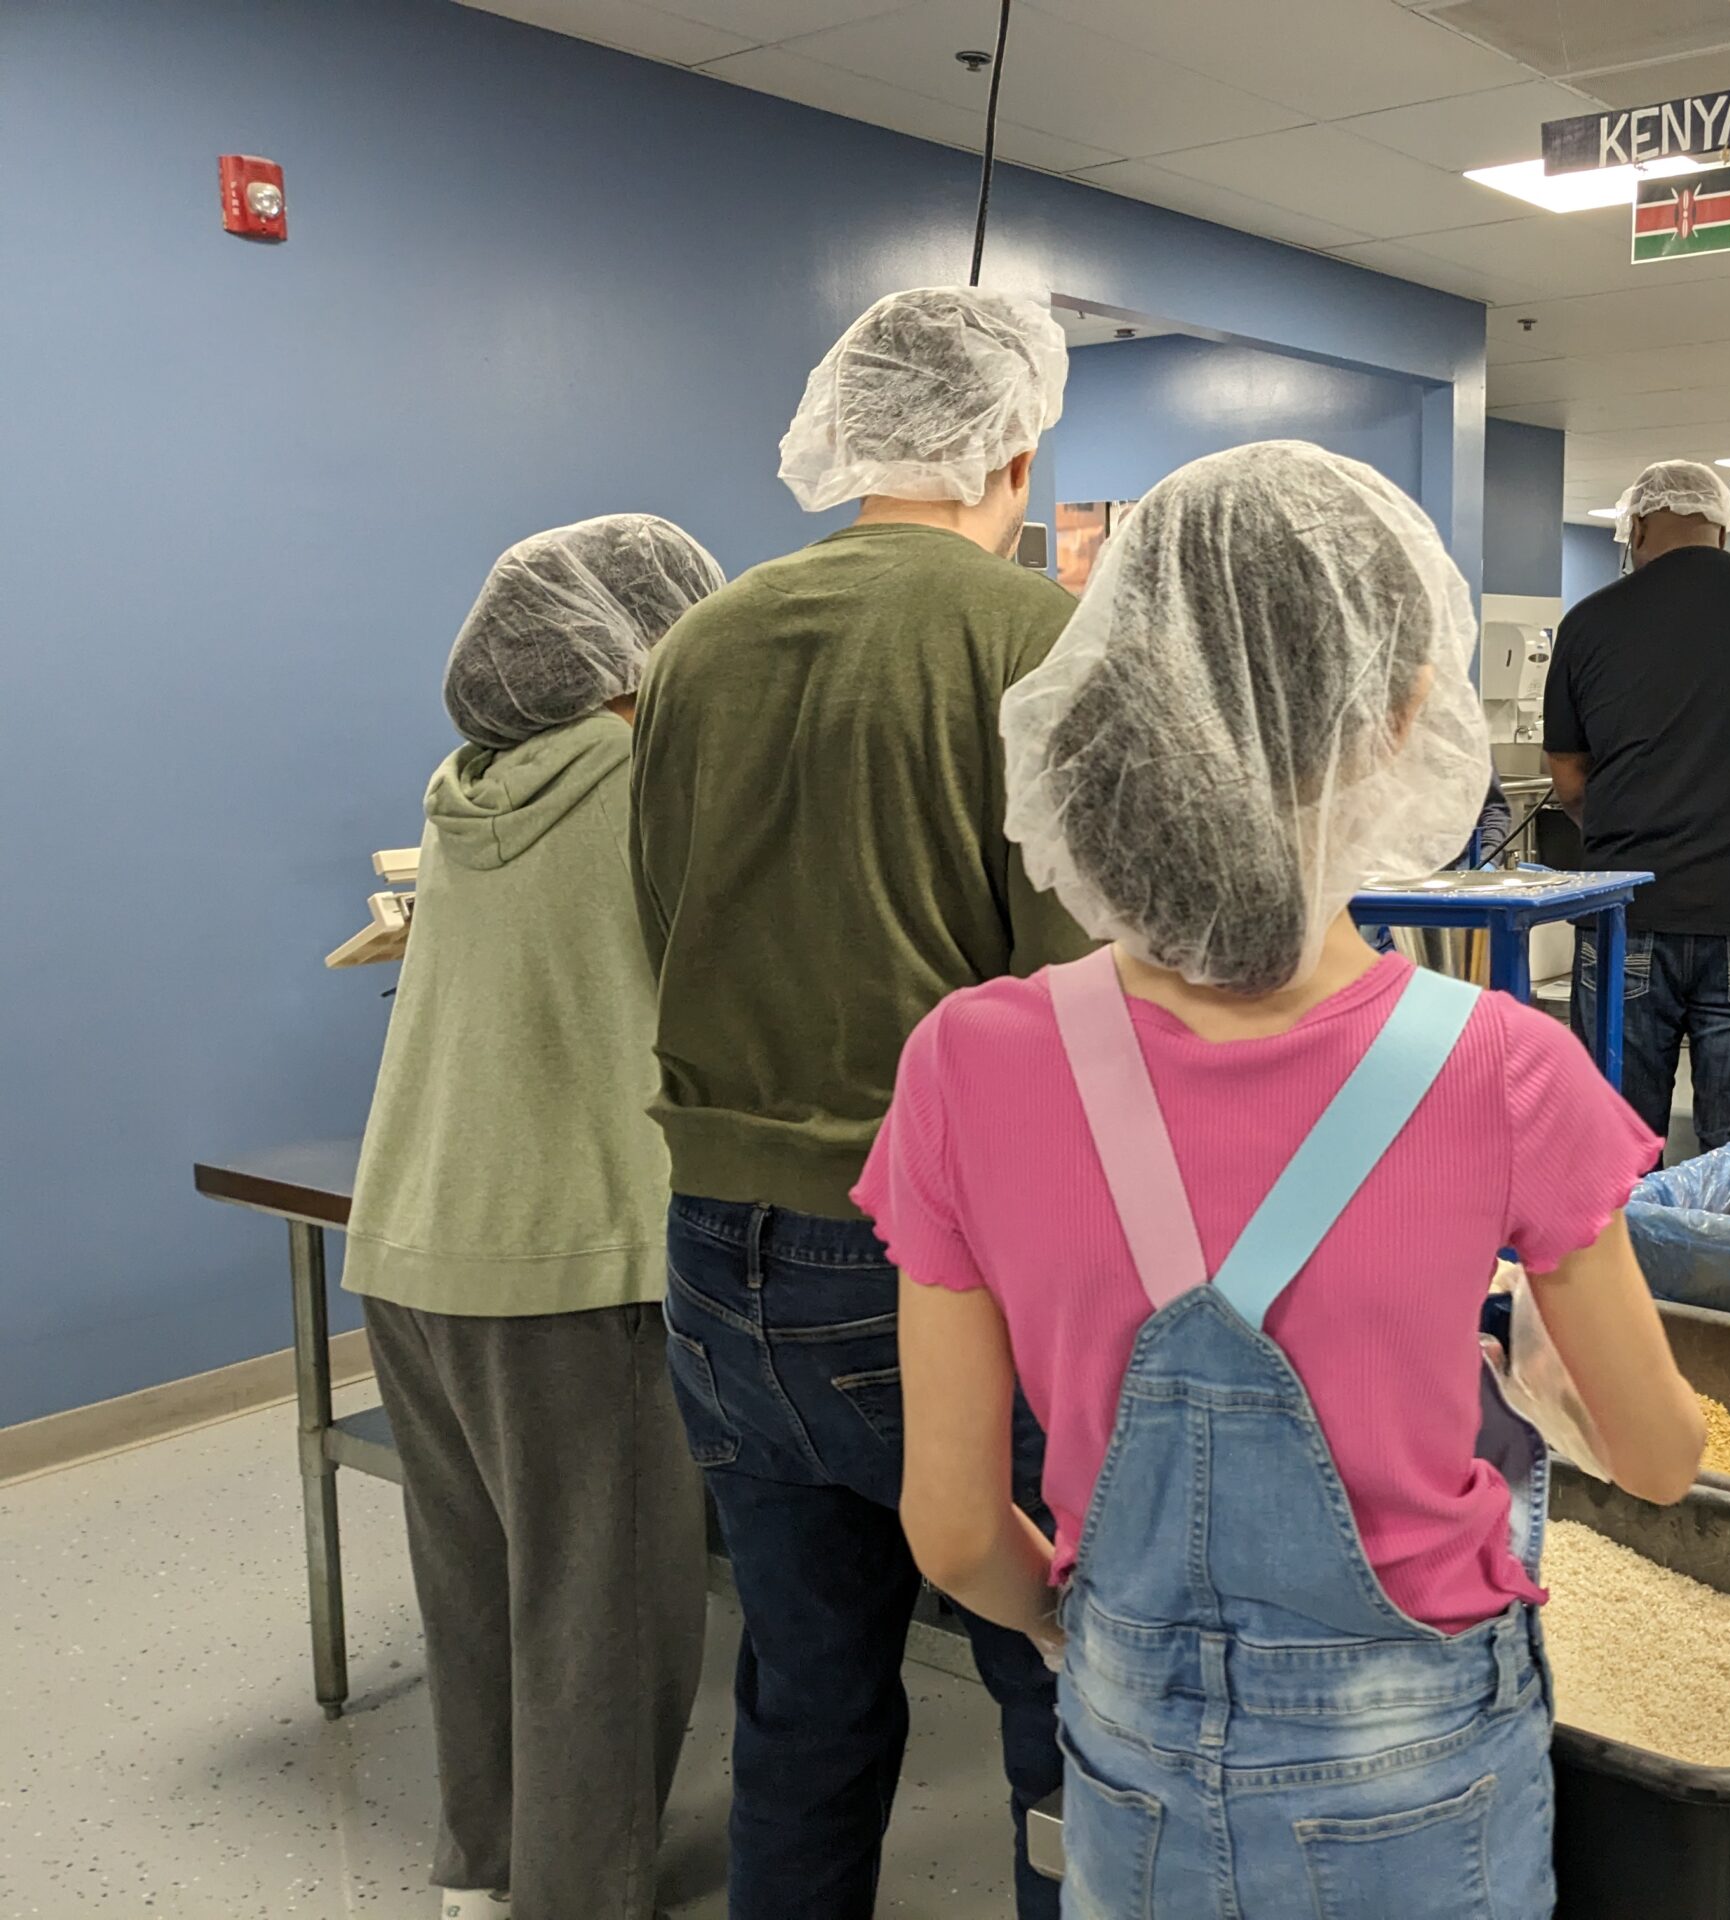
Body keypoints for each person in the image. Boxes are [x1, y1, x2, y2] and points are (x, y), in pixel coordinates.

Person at [863, 441, 1708, 1917]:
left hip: (1125, 1739)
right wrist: (1562, 1401)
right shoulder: (1501, 1065)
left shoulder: (965, 1062)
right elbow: (1660, 1459)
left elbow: (949, 1529)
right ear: (1397, 716)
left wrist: (1085, 1641)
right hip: (1420, 1761)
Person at [629, 288, 1084, 1920]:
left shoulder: (697, 644)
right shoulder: (1032, 638)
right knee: (1052, 1684)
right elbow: (1076, 1006)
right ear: (1015, 451)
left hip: (711, 1253)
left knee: (804, 1699)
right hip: (934, 1266)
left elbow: (659, 921)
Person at [343, 515, 725, 1920]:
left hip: (408, 1243)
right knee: (603, 1624)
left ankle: (484, 1876)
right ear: (640, 650)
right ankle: (576, 1899)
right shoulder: (656, 780)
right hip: (573, 1259)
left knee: (483, 1601)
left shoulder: (465, 787)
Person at [1544, 458, 1730, 1147]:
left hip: (1628, 914)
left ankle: (1620, 1261)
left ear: (1638, 524)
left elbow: (1566, 776)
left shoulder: (1589, 620)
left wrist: (1627, 829)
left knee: (1614, 1154)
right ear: (1720, 525)